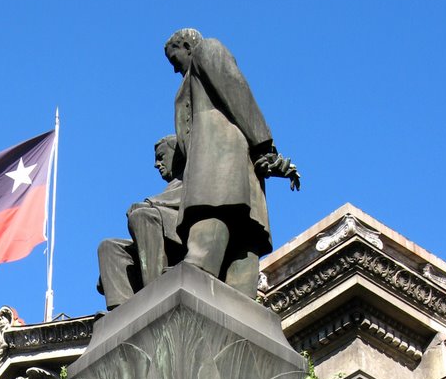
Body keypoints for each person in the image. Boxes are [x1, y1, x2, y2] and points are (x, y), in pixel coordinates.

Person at [164, 28, 300, 297]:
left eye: (174, 58)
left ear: (187, 46)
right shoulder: (190, 79)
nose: (174, 68)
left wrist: (264, 147)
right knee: (241, 252)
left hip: (220, 163)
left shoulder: (207, 50)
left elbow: (237, 92)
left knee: (214, 229)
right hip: (230, 167)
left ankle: (195, 290)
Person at [97, 135, 184, 310]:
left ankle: (154, 293)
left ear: (177, 155)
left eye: (161, 157)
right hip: (163, 234)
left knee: (142, 217)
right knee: (108, 246)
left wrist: (149, 204)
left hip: (184, 233)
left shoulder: (192, 174)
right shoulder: (171, 187)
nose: (156, 164)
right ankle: (120, 311)